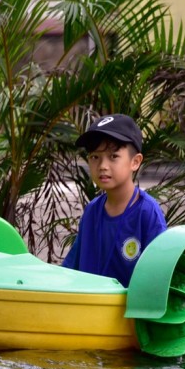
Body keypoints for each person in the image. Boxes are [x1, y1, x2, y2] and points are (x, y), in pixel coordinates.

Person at [62, 114, 167, 287]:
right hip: (90, 307)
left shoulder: (147, 212)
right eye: (95, 157)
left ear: (135, 162)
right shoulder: (92, 211)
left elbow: (160, 276)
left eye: (113, 157)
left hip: (131, 312)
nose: (103, 165)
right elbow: (72, 268)